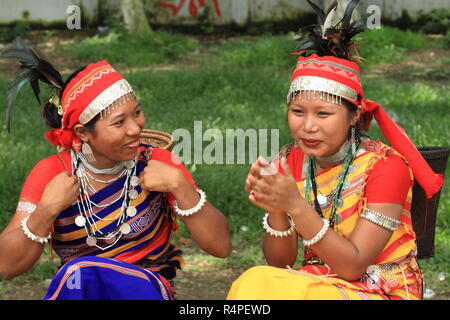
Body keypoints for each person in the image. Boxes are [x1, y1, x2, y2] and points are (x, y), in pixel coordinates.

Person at [227, 0, 443, 300]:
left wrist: (296, 205)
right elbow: (281, 264)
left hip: (380, 289)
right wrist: (276, 207)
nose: (308, 127)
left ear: (354, 115)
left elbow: (354, 266)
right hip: (316, 282)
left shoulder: (386, 167)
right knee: (252, 282)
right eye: (298, 111)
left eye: (323, 114)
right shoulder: (290, 162)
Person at [0, 39, 231, 300]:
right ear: (82, 133)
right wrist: (46, 212)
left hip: (145, 291)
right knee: (82, 273)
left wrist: (183, 188)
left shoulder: (158, 161)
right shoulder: (52, 174)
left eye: (137, 112)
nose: (136, 128)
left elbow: (221, 247)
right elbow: (7, 266)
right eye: (119, 122)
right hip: (82, 292)